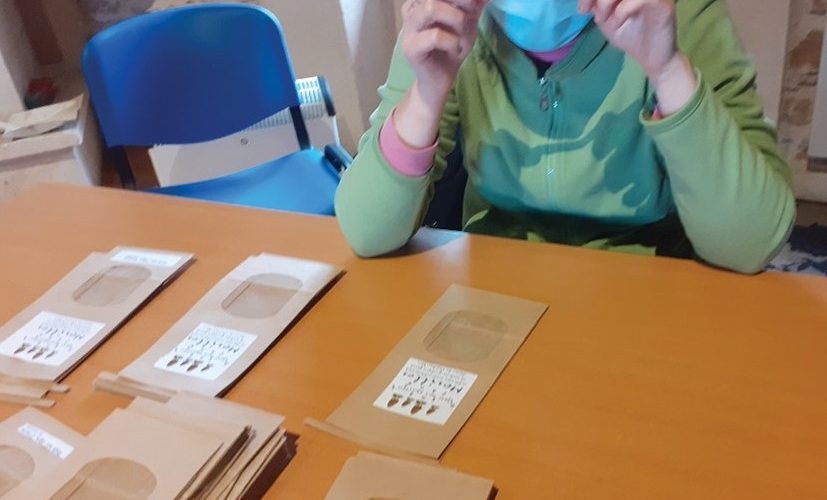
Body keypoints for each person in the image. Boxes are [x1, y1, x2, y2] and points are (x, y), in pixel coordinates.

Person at [334, 0, 796, 274]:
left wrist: (668, 69)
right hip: (496, 290)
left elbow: (751, 241)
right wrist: (427, 93)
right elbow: (366, 230)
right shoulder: (447, 20)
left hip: (650, 285)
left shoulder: (674, 13)